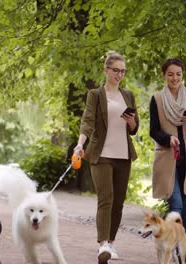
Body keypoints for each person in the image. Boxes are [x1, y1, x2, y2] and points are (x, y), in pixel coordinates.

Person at [74, 51, 139, 264]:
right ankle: (102, 244)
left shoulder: (128, 95)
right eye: (115, 70)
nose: (119, 75)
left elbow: (134, 127)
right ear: (106, 70)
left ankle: (111, 242)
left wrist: (132, 123)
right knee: (106, 199)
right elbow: (87, 121)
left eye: (122, 71)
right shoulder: (96, 94)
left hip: (123, 155)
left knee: (119, 202)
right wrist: (80, 145)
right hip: (101, 154)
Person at [149, 57, 186, 232]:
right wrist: (168, 139)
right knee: (176, 204)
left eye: (178, 74)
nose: (175, 78)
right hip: (168, 159)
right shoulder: (157, 99)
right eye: (170, 74)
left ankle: (178, 241)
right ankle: (173, 245)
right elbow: (153, 130)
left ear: (183, 75)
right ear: (163, 75)